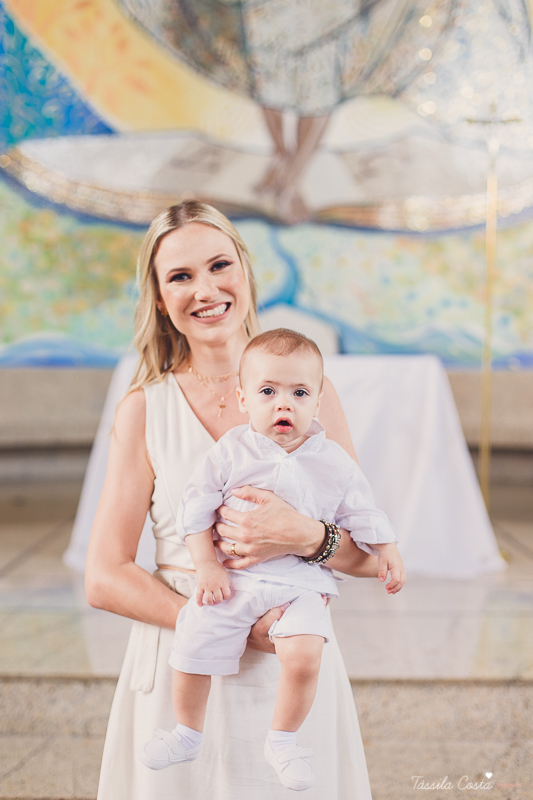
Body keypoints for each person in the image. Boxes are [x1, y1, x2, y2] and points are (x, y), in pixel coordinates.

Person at [85, 200, 402, 800]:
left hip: (292, 656)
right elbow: (104, 577)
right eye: (179, 276)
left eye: (218, 265)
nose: (204, 290)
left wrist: (308, 538)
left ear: (246, 273)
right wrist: (219, 625)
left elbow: (367, 555)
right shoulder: (145, 408)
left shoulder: (313, 393)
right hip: (184, 654)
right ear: (158, 298)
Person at [140, 328, 404, 790]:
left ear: (318, 402)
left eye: (299, 393)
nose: (284, 405)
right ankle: (187, 732)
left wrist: (388, 548)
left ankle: (282, 740)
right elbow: (196, 509)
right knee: (192, 642)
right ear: (243, 399)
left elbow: (361, 509)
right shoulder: (230, 453)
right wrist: (206, 565)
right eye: (268, 392)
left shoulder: (333, 461)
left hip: (300, 584)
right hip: (234, 580)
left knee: (305, 653)